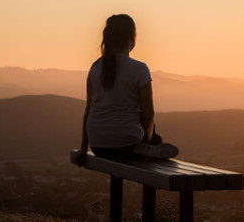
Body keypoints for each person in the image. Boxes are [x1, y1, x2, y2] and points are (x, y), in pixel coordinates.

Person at [73, 14, 178, 165]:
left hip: (98, 145)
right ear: (132, 37)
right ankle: (149, 147)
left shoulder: (95, 68)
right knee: (154, 134)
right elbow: (148, 116)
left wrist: (83, 148)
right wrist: (146, 141)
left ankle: (149, 145)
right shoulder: (140, 69)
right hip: (127, 144)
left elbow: (88, 110)